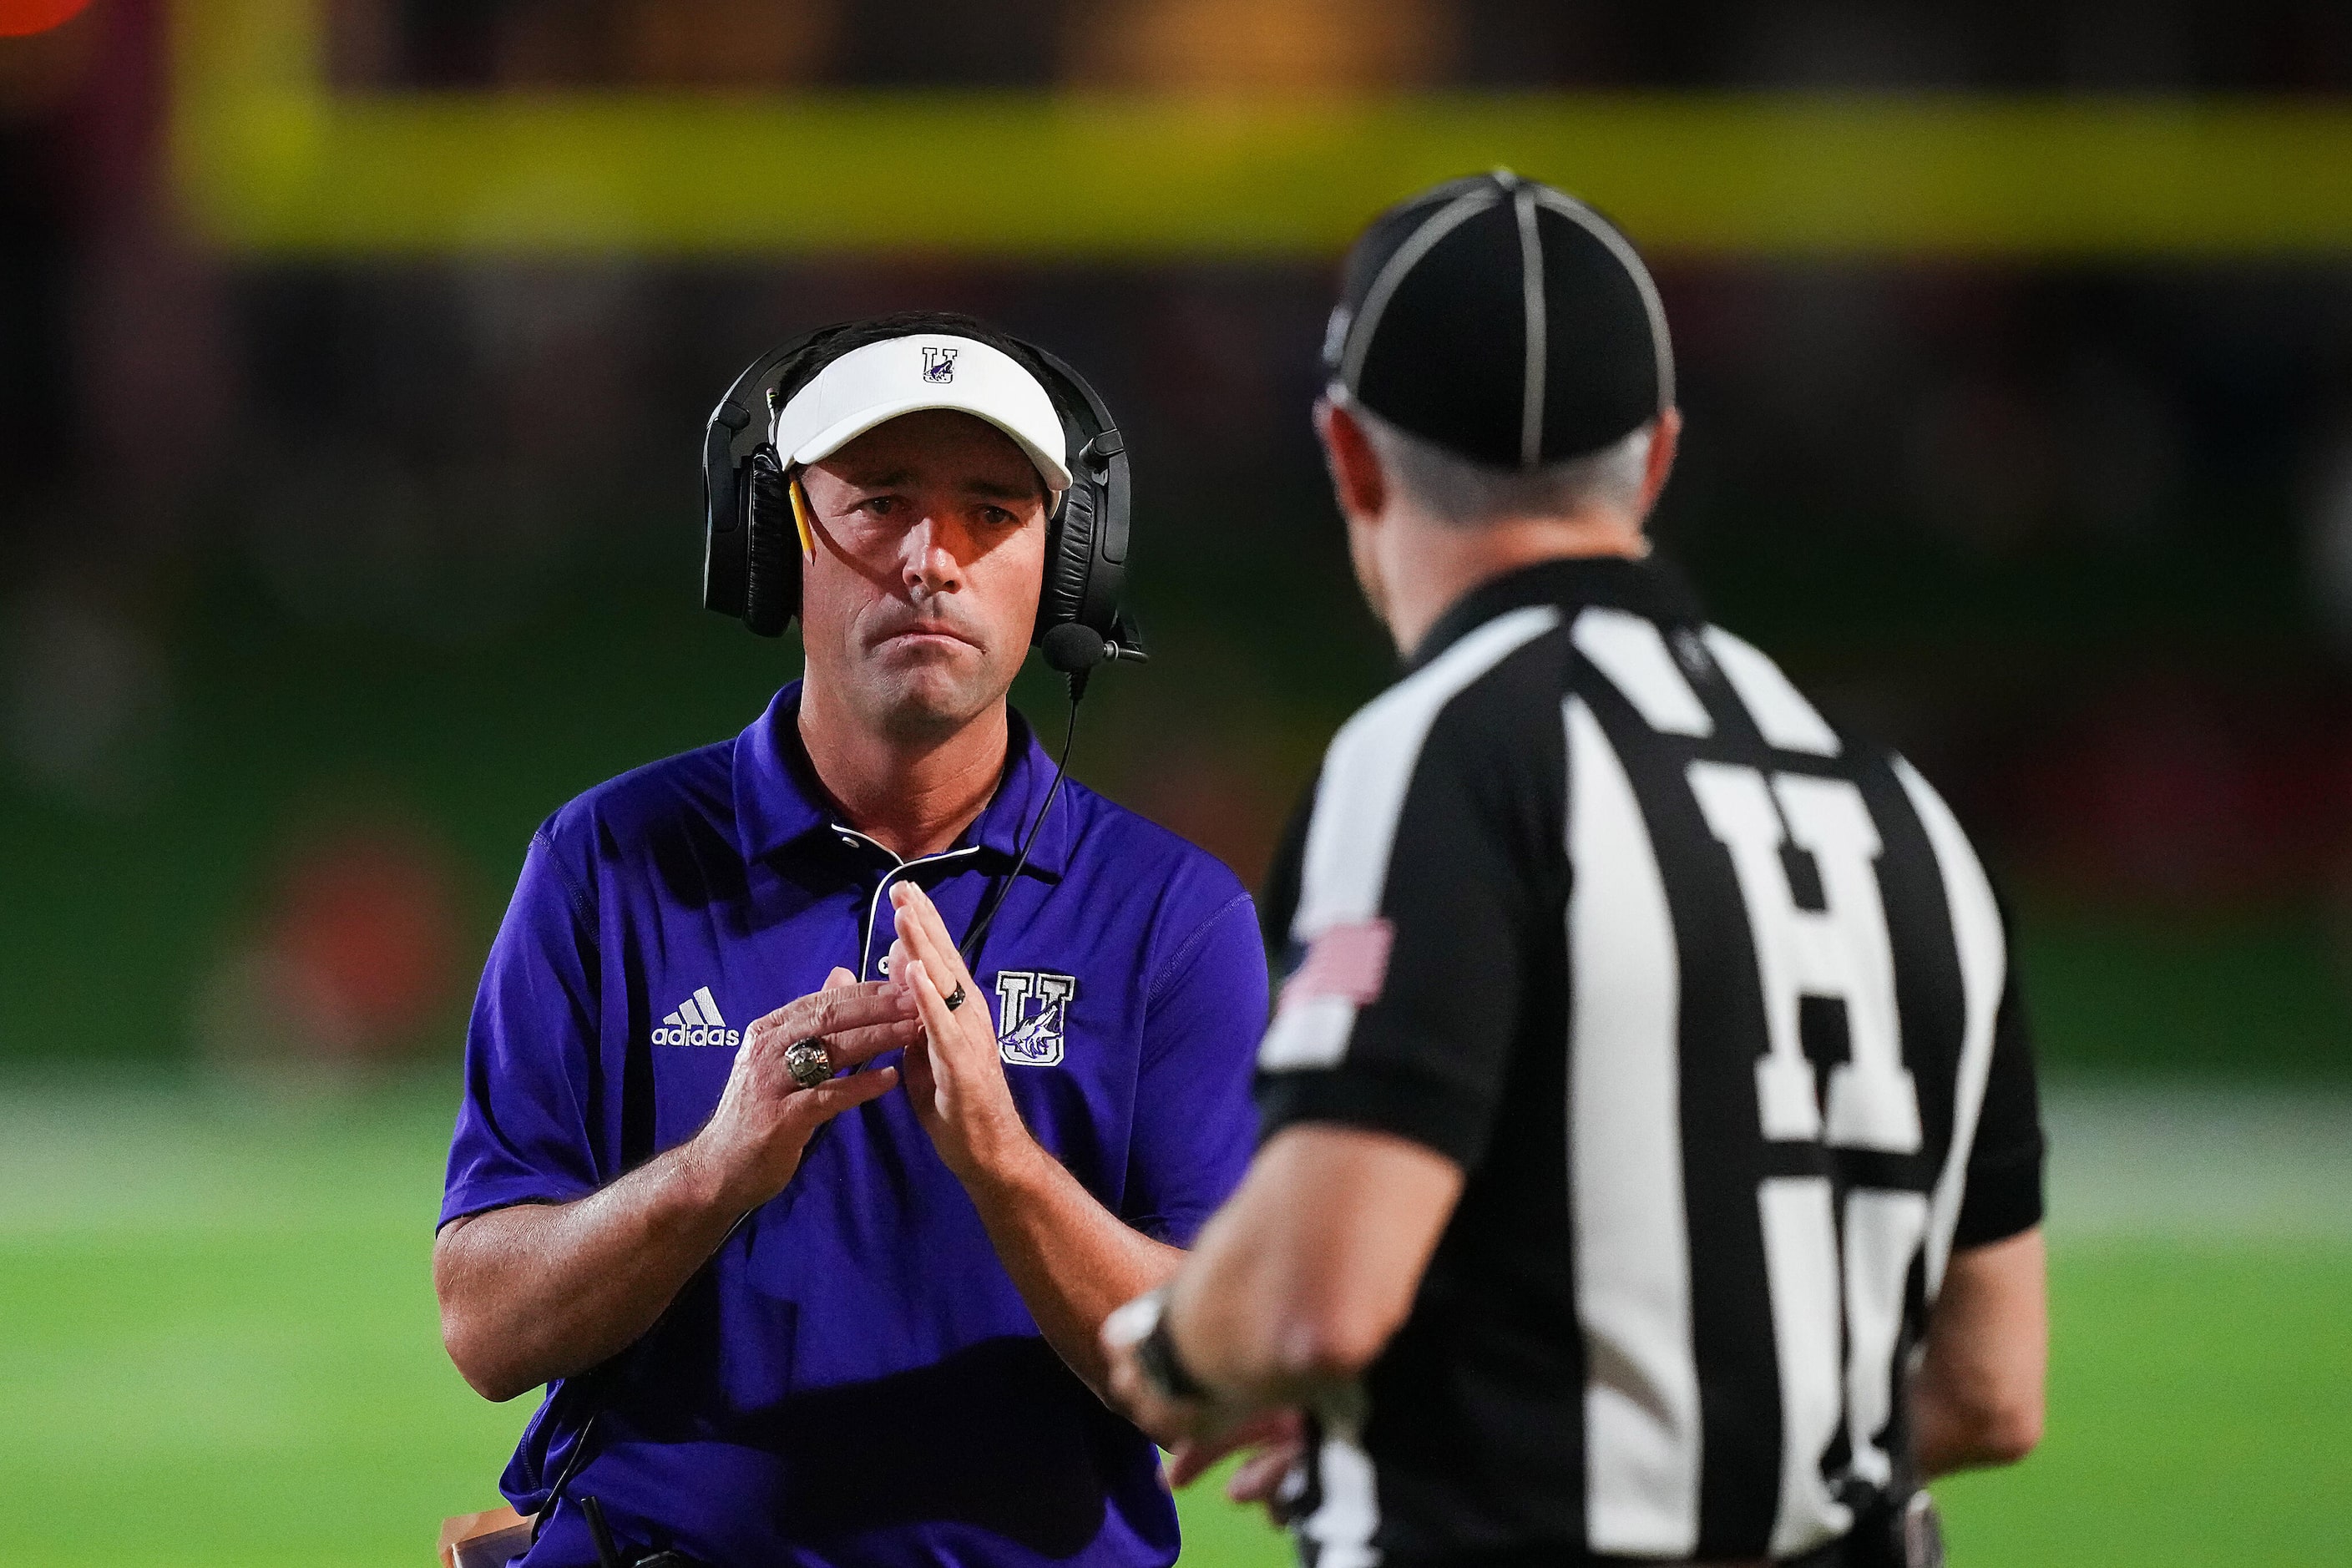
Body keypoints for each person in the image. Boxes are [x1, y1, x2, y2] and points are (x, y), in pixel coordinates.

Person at [1103, 175, 2046, 1568]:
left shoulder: (1444, 753)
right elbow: (1989, 1386)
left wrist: (1174, 1353)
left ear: (1349, 456)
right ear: (1654, 461)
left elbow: (1316, 1294)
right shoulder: (1896, 805)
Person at [435, 312, 1268, 1568]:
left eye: (993, 510)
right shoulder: (605, 860)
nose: (932, 558)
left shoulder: (1173, 916)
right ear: (777, 543)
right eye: (878, 503)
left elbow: (1219, 1380)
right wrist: (714, 1169)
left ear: (1067, 564)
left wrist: (1001, 1161)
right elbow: (484, 1329)